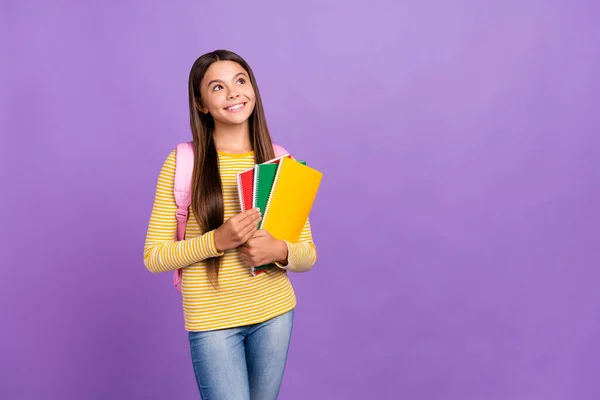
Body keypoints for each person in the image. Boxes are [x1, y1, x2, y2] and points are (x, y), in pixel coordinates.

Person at [143, 49, 317, 400]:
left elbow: (308, 254)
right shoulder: (183, 162)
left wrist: (279, 250)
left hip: (275, 313)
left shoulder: (278, 158)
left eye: (240, 81)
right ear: (202, 104)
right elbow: (154, 257)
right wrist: (216, 241)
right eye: (217, 87)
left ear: (252, 87)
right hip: (212, 323)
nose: (234, 92)